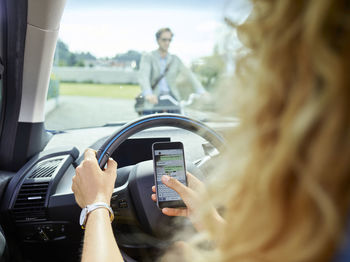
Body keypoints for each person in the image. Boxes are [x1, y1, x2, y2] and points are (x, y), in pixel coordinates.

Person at [72, 0, 350, 261]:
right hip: (153, 103)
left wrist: (96, 204)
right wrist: (213, 221)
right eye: (165, 39)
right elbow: (144, 77)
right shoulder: (325, 224)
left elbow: (189, 77)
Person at [137, 27, 207, 114]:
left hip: (172, 98)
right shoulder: (148, 57)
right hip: (154, 97)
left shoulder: (175, 59)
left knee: (182, 121)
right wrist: (148, 93)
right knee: (147, 123)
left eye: (169, 40)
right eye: (164, 40)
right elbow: (144, 76)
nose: (167, 43)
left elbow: (189, 74)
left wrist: (201, 91)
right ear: (158, 40)